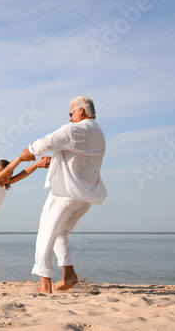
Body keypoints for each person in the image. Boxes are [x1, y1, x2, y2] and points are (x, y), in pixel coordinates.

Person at [20, 96, 107, 294]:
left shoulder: (75, 129)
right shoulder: (98, 133)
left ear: (81, 112)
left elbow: (47, 141)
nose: (69, 118)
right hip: (85, 198)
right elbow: (78, 158)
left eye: (71, 113)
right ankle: (69, 274)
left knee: (45, 234)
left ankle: (44, 286)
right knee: (61, 232)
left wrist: (29, 150)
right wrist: (56, 161)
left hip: (65, 194)